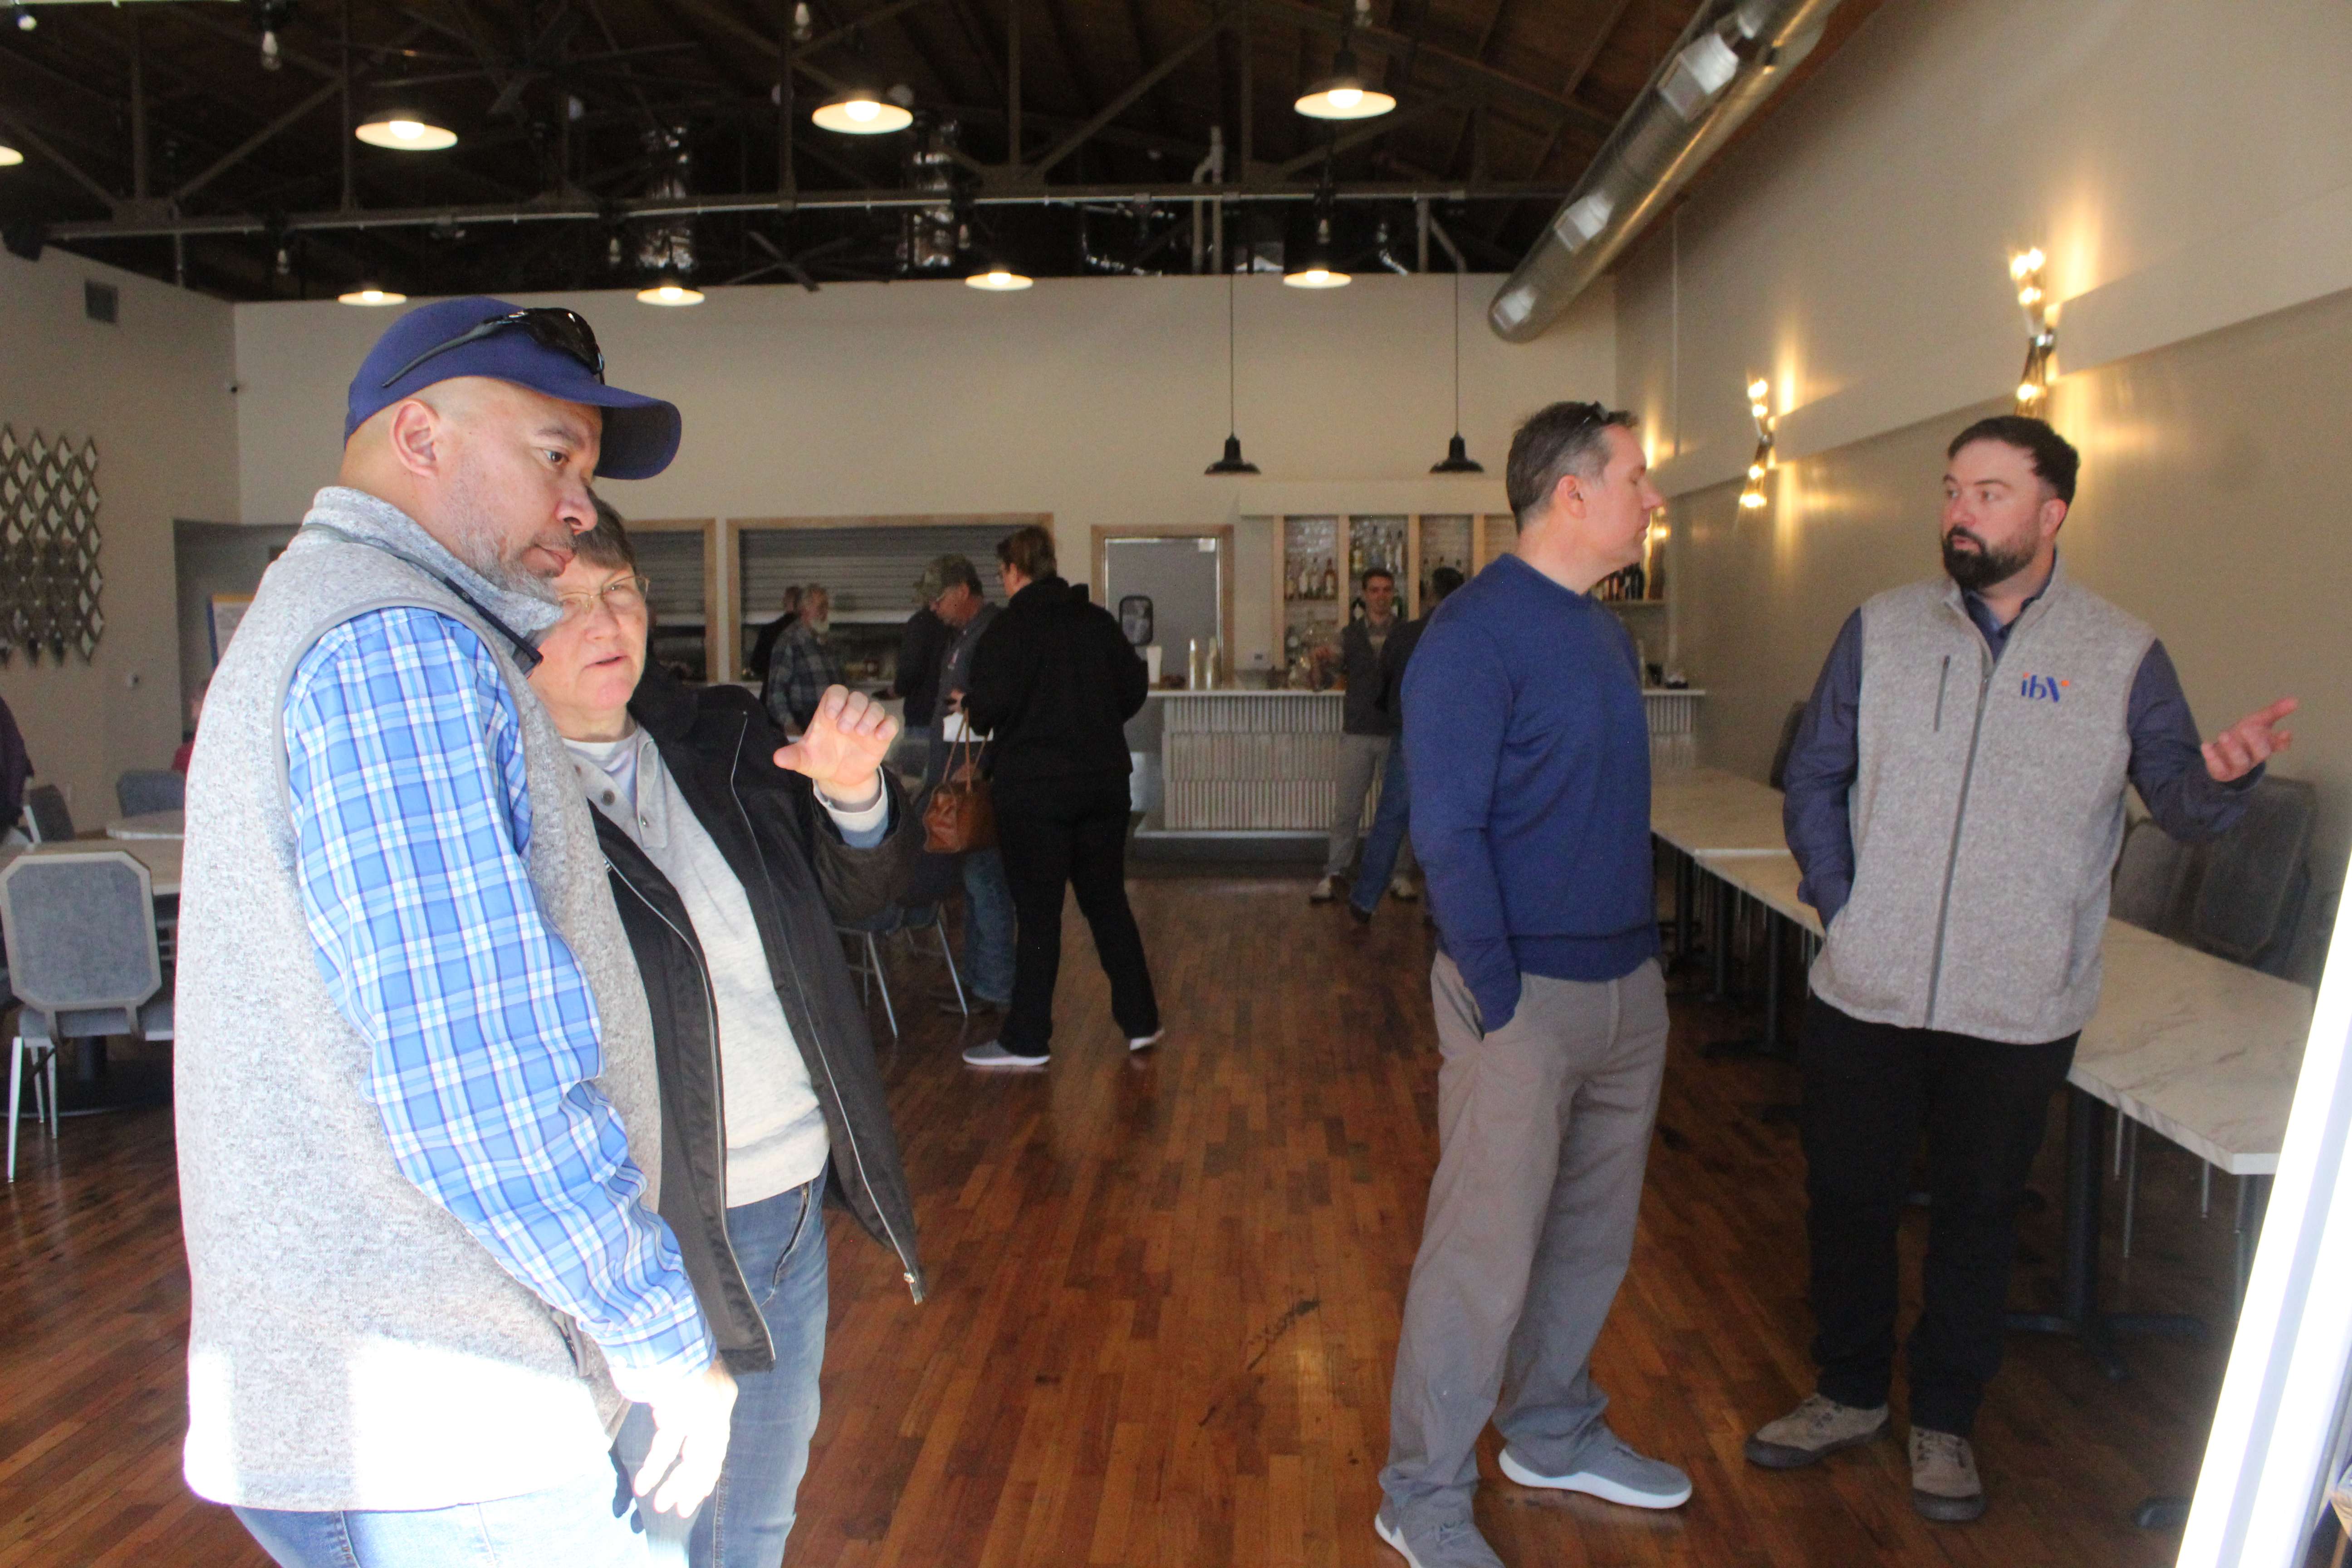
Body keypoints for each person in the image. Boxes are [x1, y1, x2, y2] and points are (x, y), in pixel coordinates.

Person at [174, 296, 736, 1567]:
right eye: (555, 455)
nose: (580, 506)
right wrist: (656, 1332)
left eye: (586, 469)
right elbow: (475, 1073)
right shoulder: (397, 647)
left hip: (384, 1401)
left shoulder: (330, 612)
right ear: (420, 437)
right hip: (457, 1422)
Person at [1755, 414, 2296, 1523]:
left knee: (1978, 1214)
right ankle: (1848, 1391)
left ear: (2052, 513)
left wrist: (2226, 777)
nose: (1960, 512)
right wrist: (1845, 904)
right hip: (1866, 989)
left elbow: (2181, 807)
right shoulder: (1881, 628)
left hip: (2016, 1005)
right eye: (1952, 489)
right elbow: (1815, 774)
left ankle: (1945, 1419)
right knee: (1847, 1198)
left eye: (1990, 493)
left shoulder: (2121, 653)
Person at [529, 503, 926, 1568]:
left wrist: (853, 792)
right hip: (645, 1226)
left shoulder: (726, 736)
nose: (605, 621)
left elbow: (864, 895)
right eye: (566, 603)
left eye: (619, 591)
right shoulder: (501, 793)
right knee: (658, 1533)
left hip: (788, 1201)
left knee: (754, 1520)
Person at [1378, 402, 1690, 1568]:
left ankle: (1551, 1429)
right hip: (1522, 997)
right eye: (1636, 478)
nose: (1651, 499)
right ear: (1572, 491)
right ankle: (1419, 1491)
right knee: (1482, 1254)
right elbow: (1446, 832)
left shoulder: (1603, 634)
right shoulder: (1473, 636)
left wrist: (1641, 972)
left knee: (1589, 1238)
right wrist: (1498, 995)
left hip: (1624, 987)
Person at [957, 525, 1159, 1069]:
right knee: (1107, 902)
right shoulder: (1096, 622)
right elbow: (1133, 687)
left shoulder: (1007, 631)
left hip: (1034, 792)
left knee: (1039, 914)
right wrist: (1095, 719)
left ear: (1013, 572)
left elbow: (988, 709)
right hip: (1103, 783)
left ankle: (1028, 1038)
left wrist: (971, 704)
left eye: (1002, 572)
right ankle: (1141, 1021)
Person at [920, 554, 1015, 1015]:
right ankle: (978, 981)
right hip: (957, 781)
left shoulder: (993, 635)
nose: (933, 608)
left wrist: (981, 766)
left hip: (978, 786)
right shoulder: (963, 637)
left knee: (987, 884)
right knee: (975, 886)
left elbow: (1001, 710)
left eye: (938, 598)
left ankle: (995, 985)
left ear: (963, 590)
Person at [1349, 566, 1463, 923]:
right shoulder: (1471, 636)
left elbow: (1383, 690)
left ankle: (1365, 900)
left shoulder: (1406, 634)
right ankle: (1438, 908)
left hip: (1411, 734)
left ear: (1429, 595)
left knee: (1391, 817)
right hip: (1455, 738)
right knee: (1448, 823)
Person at [1313, 568, 1415, 905]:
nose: (1381, 596)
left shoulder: (1406, 634)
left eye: (1386, 590)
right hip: (1357, 731)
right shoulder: (1349, 636)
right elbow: (1322, 682)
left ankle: (1400, 874)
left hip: (1396, 733)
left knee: (1399, 810)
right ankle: (1335, 872)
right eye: (1375, 590)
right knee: (1347, 809)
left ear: (1394, 594)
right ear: (1364, 595)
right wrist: (1319, 662)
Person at [889, 584, 953, 782]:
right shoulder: (954, 624)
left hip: (921, 713)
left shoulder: (920, 624)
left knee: (917, 783)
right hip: (948, 715)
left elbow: (910, 669)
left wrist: (897, 689)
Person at [763, 584, 843, 732]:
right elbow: (776, 693)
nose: (825, 612)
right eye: (820, 607)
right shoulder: (789, 641)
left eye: (826, 607)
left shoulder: (827, 642)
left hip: (830, 724)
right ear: (804, 609)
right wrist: (790, 726)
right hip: (804, 723)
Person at [744, 585, 801, 686]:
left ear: (785, 602)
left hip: (772, 687)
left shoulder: (769, 631)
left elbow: (756, 667)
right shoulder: (807, 632)